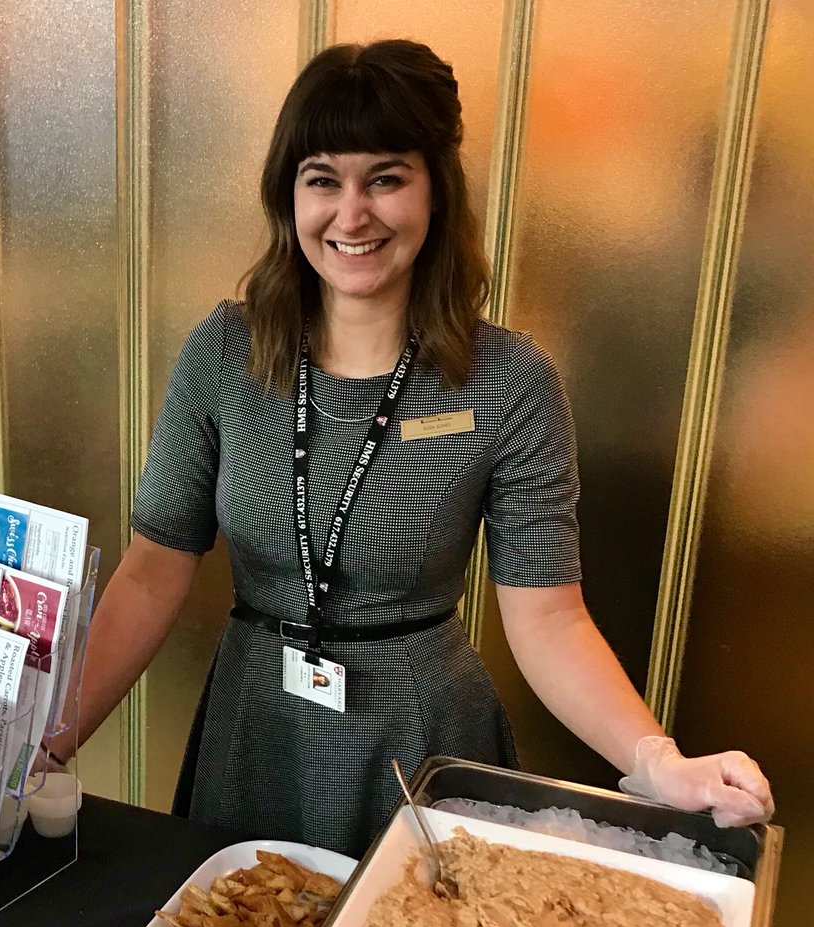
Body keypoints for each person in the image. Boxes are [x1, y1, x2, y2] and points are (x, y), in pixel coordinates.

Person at [55, 39, 773, 858]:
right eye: (322, 179)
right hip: (256, 730)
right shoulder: (225, 352)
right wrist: (50, 741)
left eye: (386, 178)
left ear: (435, 189)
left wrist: (658, 760)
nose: (351, 214)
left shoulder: (508, 380)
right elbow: (153, 572)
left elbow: (550, 619)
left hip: (423, 738)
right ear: (289, 196)